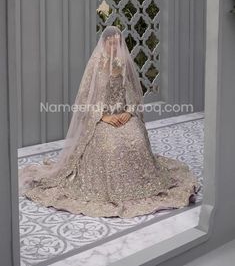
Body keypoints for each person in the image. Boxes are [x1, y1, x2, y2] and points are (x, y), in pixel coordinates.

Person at [18, 26, 200, 218]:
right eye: (111, 43)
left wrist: (129, 113)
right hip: (101, 119)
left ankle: (139, 186)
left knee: (136, 139)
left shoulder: (124, 65)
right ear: (104, 43)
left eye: (117, 43)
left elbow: (133, 96)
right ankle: (110, 188)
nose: (114, 47)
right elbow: (84, 100)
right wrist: (103, 116)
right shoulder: (96, 65)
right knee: (111, 146)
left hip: (124, 115)